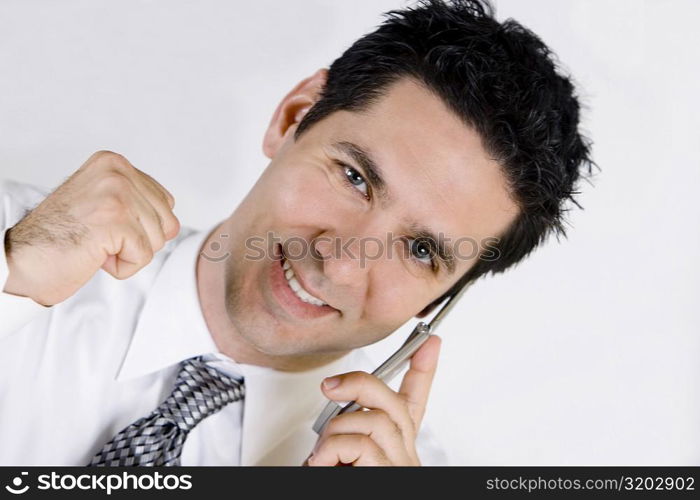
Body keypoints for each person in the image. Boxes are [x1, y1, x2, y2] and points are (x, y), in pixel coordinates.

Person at [0, 0, 593, 466]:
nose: (340, 263)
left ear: (442, 298)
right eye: (356, 178)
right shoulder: (19, 241)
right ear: (292, 116)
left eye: (420, 250)